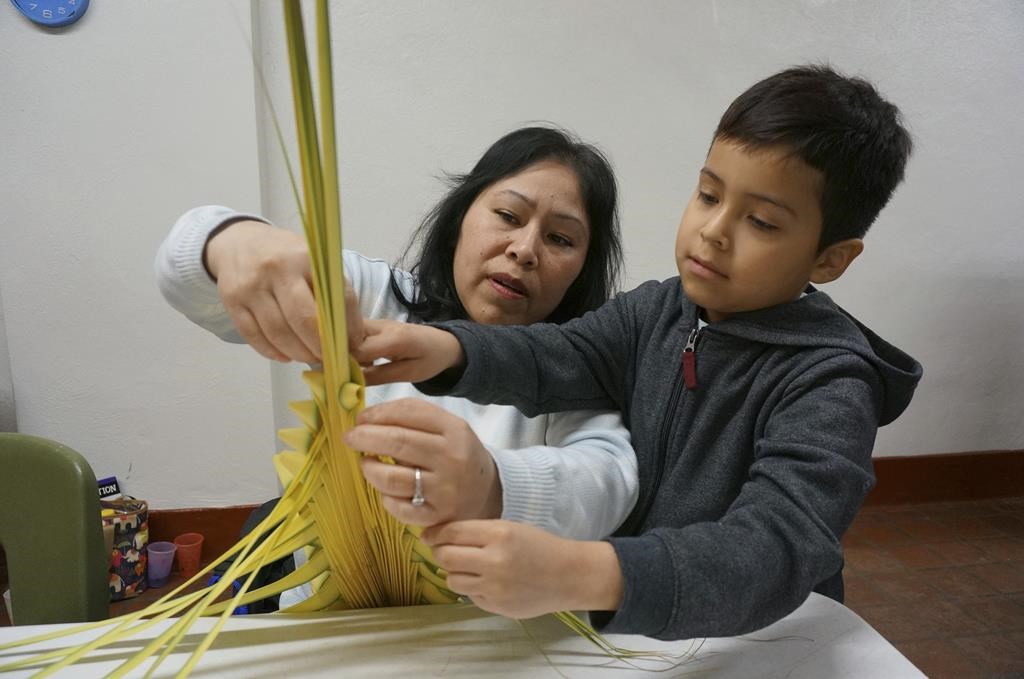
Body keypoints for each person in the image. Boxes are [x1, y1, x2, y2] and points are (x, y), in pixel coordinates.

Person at [346, 65, 923, 639]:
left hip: (760, 645)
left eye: (762, 222)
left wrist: (586, 573)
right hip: (638, 632)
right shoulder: (658, 310)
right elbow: (560, 353)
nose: (714, 230)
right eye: (708, 194)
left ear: (830, 259)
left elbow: (773, 549)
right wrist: (446, 347)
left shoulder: (832, 383)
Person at [155, 125, 638, 550]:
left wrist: (492, 484)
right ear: (460, 220)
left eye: (560, 239)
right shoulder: (372, 298)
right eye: (509, 216)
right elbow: (185, 269)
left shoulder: (573, 369)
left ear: (582, 270)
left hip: (491, 637)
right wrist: (233, 242)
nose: (524, 249)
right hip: (330, 626)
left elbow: (607, 483)